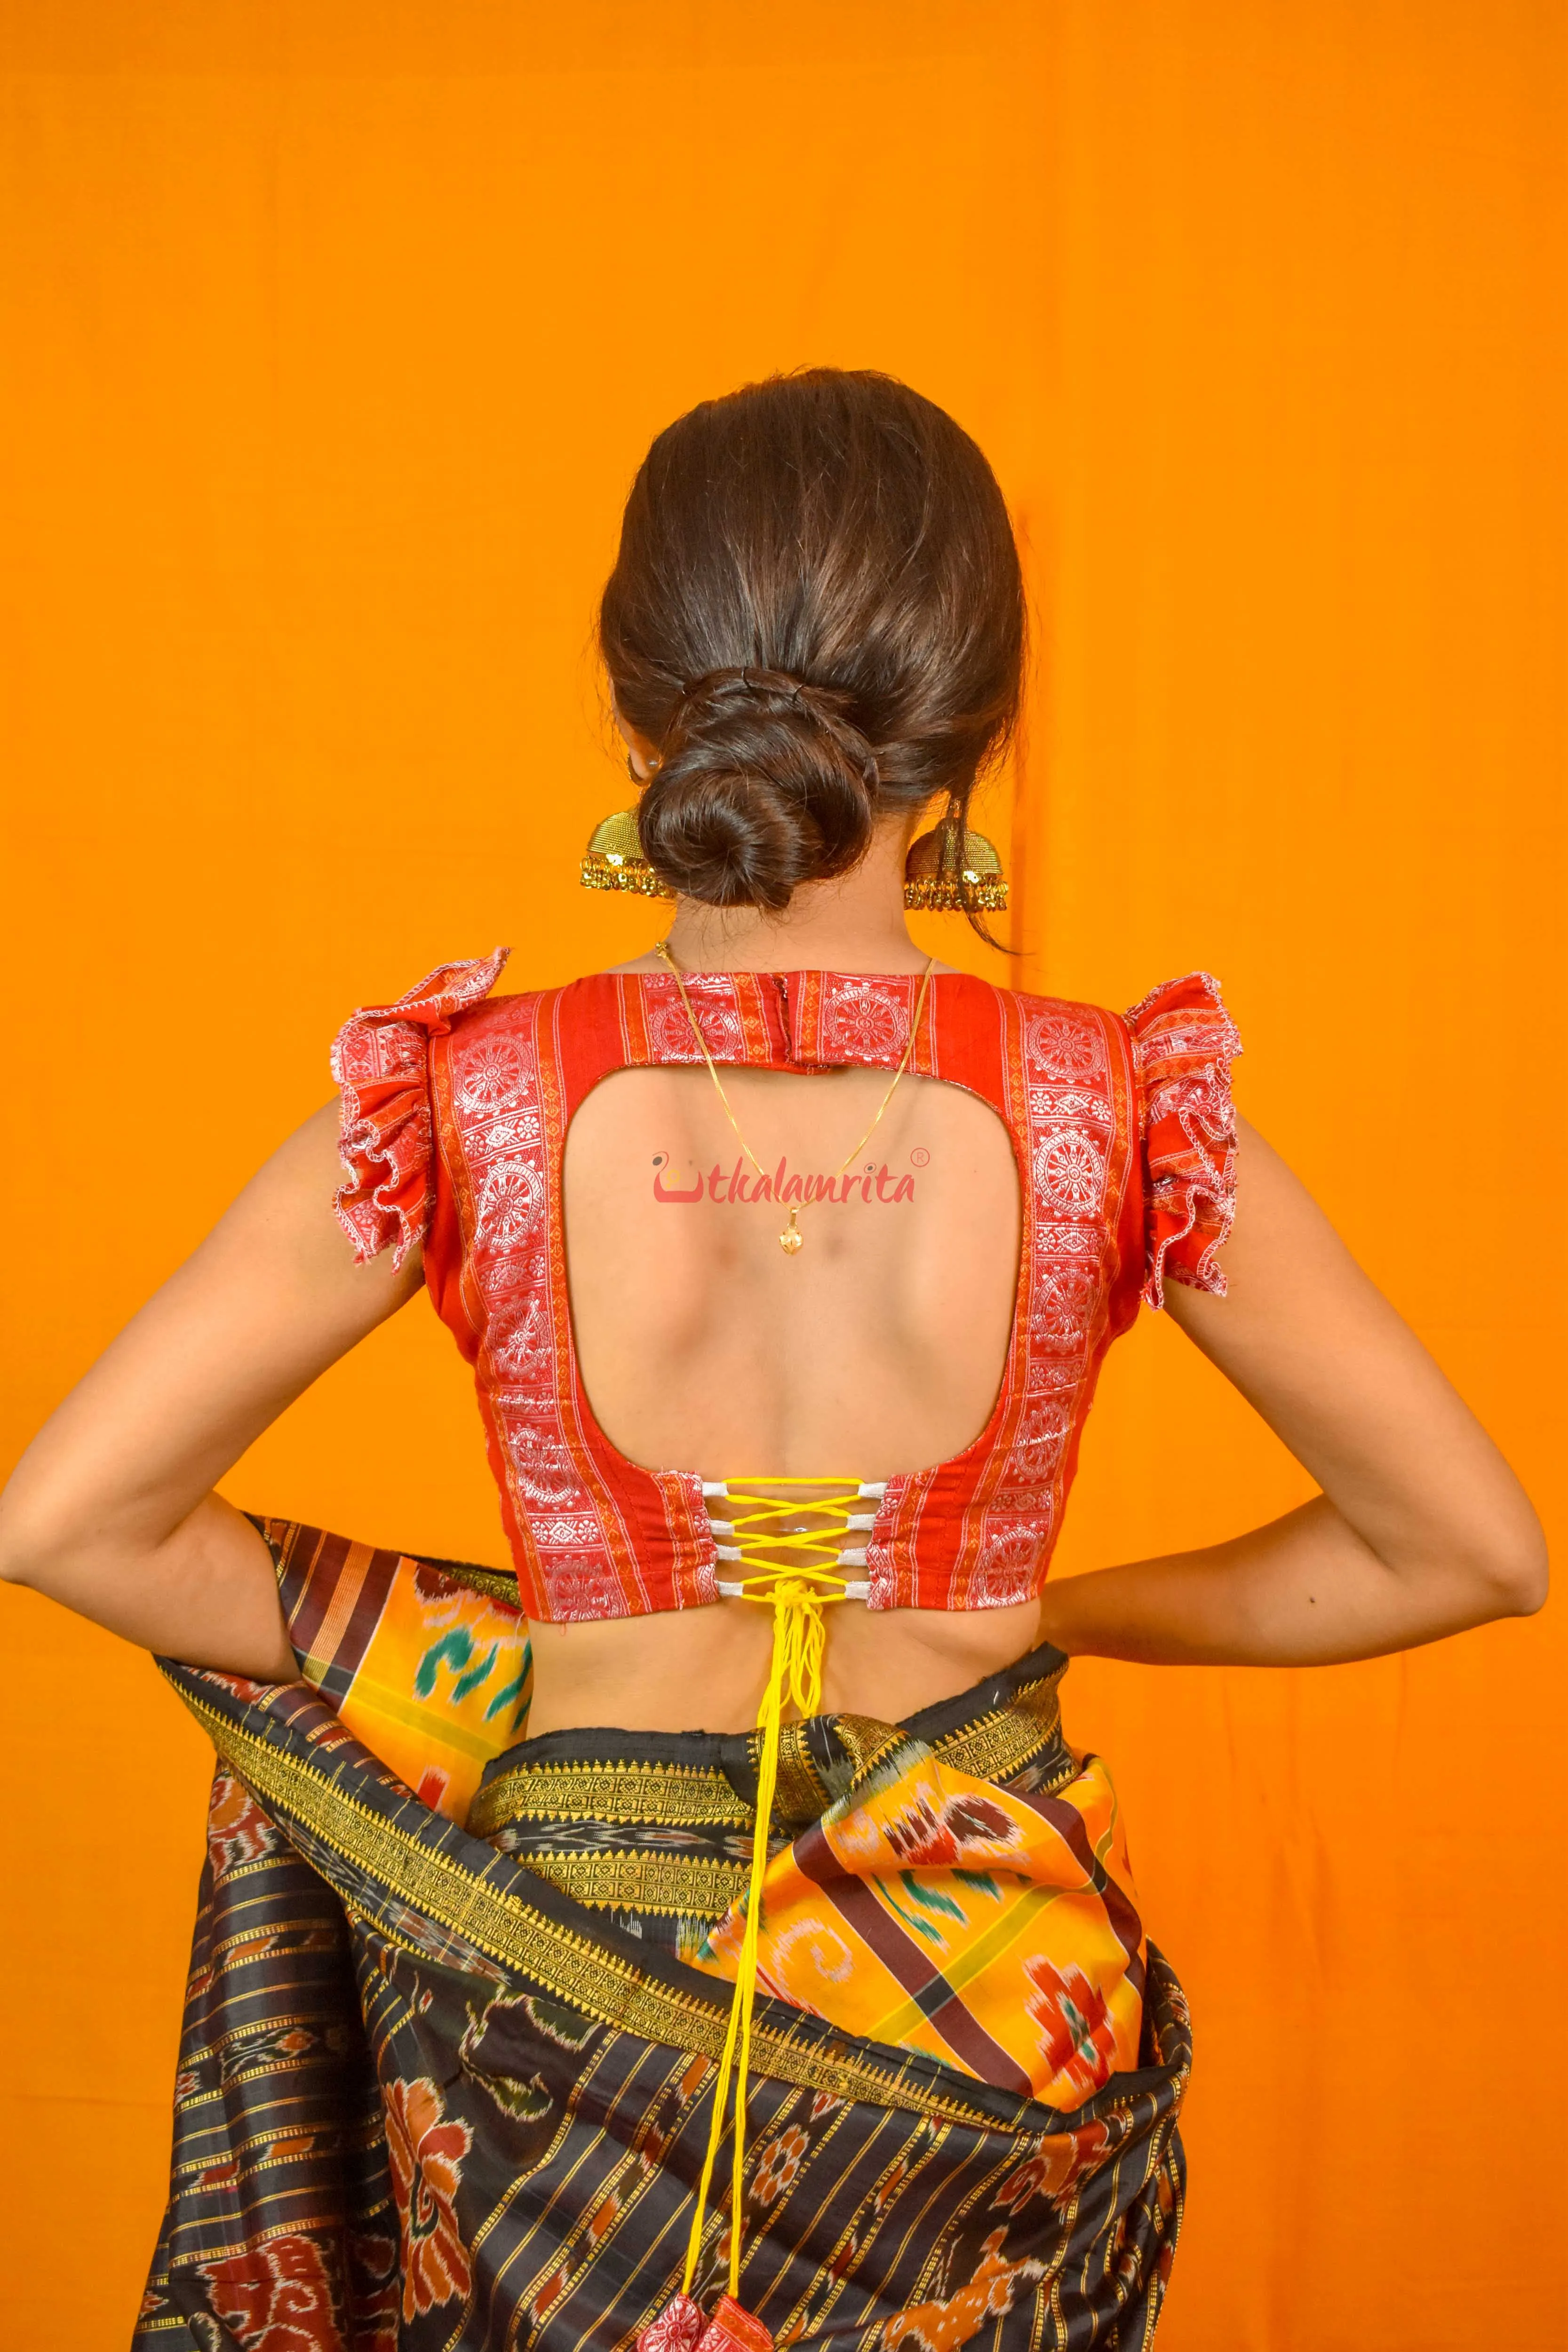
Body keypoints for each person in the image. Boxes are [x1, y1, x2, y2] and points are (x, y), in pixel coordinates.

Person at [0, 369, 1544, 2352]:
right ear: (973, 722)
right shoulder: (1119, 1106)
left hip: (560, 1991)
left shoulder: (464, 1100)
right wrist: (1025, 1607)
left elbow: (65, 1518)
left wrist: (488, 1644)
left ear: (641, 706)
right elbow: (1464, 1549)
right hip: (981, 1973)